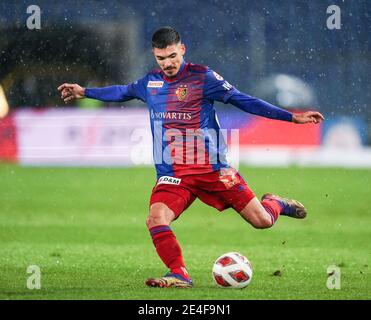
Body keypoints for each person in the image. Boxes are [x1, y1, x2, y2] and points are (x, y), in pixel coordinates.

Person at [58, 26, 324, 288]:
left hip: (212, 169)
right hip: (173, 174)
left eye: (173, 56)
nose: (168, 63)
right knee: (156, 218)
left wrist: (292, 117)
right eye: (161, 58)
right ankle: (179, 274)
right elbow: (121, 91)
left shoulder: (203, 77)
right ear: (154, 55)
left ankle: (275, 203)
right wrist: (84, 91)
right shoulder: (150, 83)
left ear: (182, 49)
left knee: (262, 221)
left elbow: (244, 100)